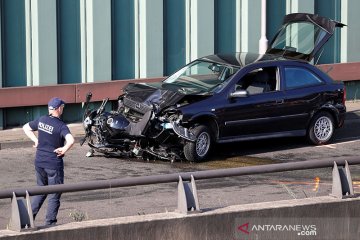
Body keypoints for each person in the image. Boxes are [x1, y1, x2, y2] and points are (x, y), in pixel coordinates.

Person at [23, 97, 75, 226]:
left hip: (39, 162)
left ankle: (27, 221)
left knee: (41, 191)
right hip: (53, 165)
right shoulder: (61, 126)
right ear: (58, 108)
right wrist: (64, 149)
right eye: (62, 107)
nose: (63, 108)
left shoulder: (42, 120)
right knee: (54, 194)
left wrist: (36, 141)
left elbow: (26, 127)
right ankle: (50, 223)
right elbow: (71, 140)